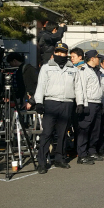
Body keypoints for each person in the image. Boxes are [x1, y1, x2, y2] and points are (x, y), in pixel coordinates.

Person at [33, 43, 84, 174]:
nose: (60, 55)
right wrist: (39, 102)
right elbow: (41, 86)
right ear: (54, 53)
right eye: (58, 52)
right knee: (47, 133)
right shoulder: (46, 67)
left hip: (67, 103)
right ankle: (42, 162)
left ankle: (60, 158)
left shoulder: (73, 69)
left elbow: (78, 88)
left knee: (62, 134)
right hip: (51, 102)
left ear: (66, 54)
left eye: (63, 53)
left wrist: (80, 103)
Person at [77, 50, 104, 163]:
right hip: (89, 102)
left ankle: (92, 151)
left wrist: (102, 103)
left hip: (97, 102)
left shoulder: (97, 71)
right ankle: (82, 154)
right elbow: (81, 88)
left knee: (95, 129)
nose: (100, 60)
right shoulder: (84, 71)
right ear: (92, 58)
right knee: (85, 129)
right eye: (98, 58)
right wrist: (83, 104)